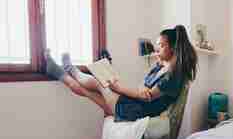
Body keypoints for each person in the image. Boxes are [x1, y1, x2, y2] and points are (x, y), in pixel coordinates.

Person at [45, 25, 198, 121]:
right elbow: (142, 90)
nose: (157, 49)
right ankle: (60, 71)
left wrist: (117, 88)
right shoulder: (160, 68)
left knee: (99, 83)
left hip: (134, 111)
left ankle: (69, 69)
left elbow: (147, 96)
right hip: (134, 104)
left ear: (173, 48)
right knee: (88, 90)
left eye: (161, 46)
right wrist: (124, 88)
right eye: (157, 46)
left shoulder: (174, 76)